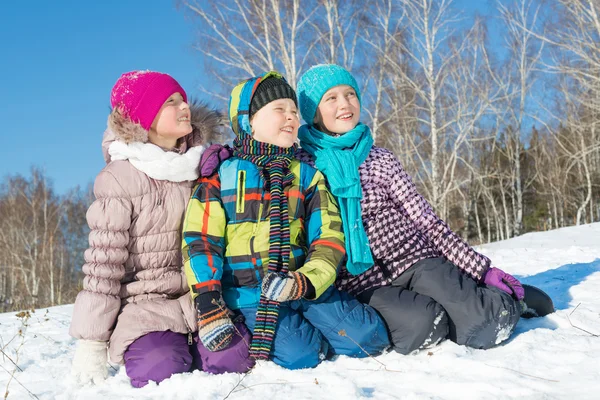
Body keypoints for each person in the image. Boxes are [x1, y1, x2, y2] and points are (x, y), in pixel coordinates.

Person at [295, 64, 524, 355]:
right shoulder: (303, 167)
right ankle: (452, 309)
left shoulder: (380, 159)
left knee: (484, 322)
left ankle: (511, 299)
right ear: (313, 112)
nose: (345, 104)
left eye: (350, 94)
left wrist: (481, 269)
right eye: (331, 98)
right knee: (421, 326)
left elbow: (425, 220)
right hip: (362, 280)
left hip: (417, 259)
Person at [182, 71, 389, 370]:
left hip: (301, 286)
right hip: (250, 293)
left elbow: (328, 237)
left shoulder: (307, 175)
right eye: (279, 109)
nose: (291, 117)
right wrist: (209, 301)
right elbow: (200, 241)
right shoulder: (221, 176)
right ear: (248, 121)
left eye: (294, 110)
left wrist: (306, 281)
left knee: (368, 337)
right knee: (300, 353)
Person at [69, 70, 252, 388]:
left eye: (182, 99)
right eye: (170, 101)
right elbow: (104, 265)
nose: (184, 107)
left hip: (204, 296)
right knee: (159, 366)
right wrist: (91, 341)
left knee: (234, 358)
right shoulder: (119, 179)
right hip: (146, 306)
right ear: (143, 117)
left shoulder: (205, 165)